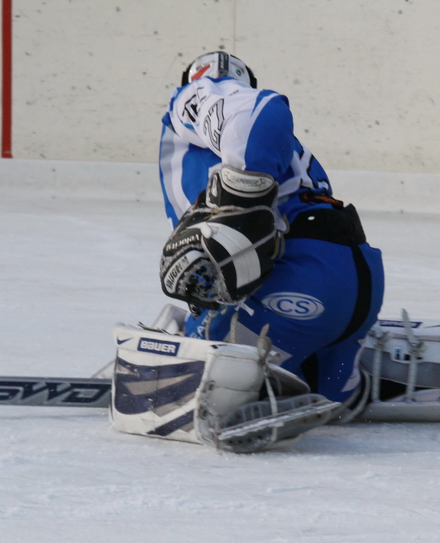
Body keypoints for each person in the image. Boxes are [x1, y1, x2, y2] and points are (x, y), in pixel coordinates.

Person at [156, 51, 385, 408]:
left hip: (297, 287)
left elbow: (261, 112)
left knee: (194, 385)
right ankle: (346, 385)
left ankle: (255, 382)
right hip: (358, 284)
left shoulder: (196, 95)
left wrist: (242, 208)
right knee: (328, 399)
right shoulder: (289, 151)